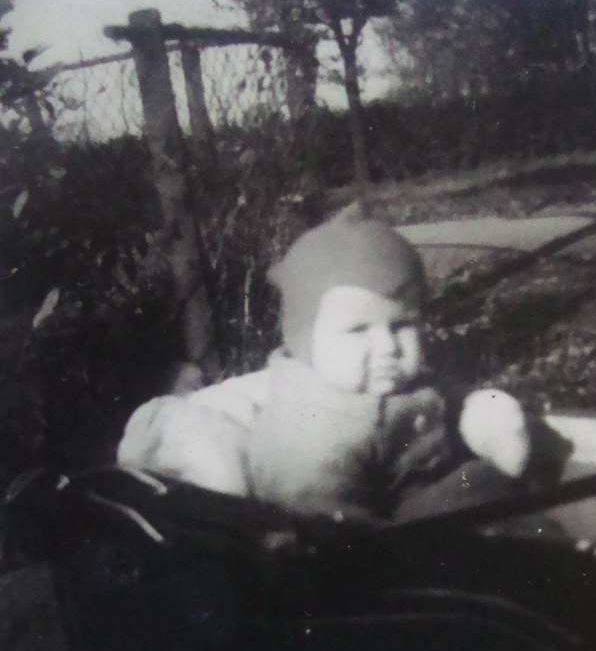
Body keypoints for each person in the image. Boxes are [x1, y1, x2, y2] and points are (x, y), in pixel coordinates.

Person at [118, 204, 540, 523]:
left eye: (402, 325)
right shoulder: (310, 426)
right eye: (358, 331)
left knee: (492, 485)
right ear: (305, 343)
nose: (388, 348)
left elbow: (451, 398)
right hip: (388, 551)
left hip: (435, 502)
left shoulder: (394, 385)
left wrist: (485, 416)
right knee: (488, 502)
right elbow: (320, 523)